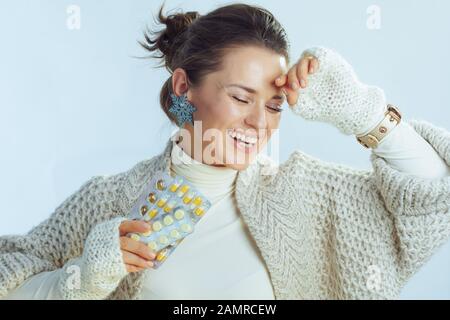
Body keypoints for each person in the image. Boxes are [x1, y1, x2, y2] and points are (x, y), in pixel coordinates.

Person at [1, 3, 449, 300]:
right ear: (184, 87)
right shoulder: (109, 202)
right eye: (240, 97)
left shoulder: (307, 194)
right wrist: (84, 276)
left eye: (274, 105)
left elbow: (434, 199)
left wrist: (365, 113)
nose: (260, 122)